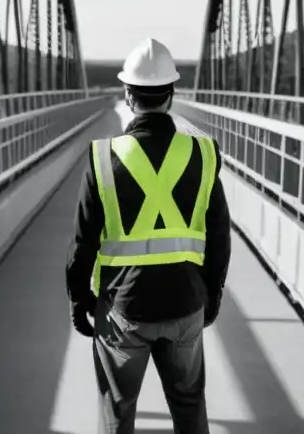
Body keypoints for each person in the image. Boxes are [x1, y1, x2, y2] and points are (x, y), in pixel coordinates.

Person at [65, 37, 232, 434]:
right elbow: (219, 239)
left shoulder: (102, 157)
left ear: (127, 95)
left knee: (117, 412)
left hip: (123, 310)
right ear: (171, 95)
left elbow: (82, 244)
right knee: (189, 406)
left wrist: (79, 303)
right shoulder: (204, 154)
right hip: (186, 304)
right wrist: (211, 297)